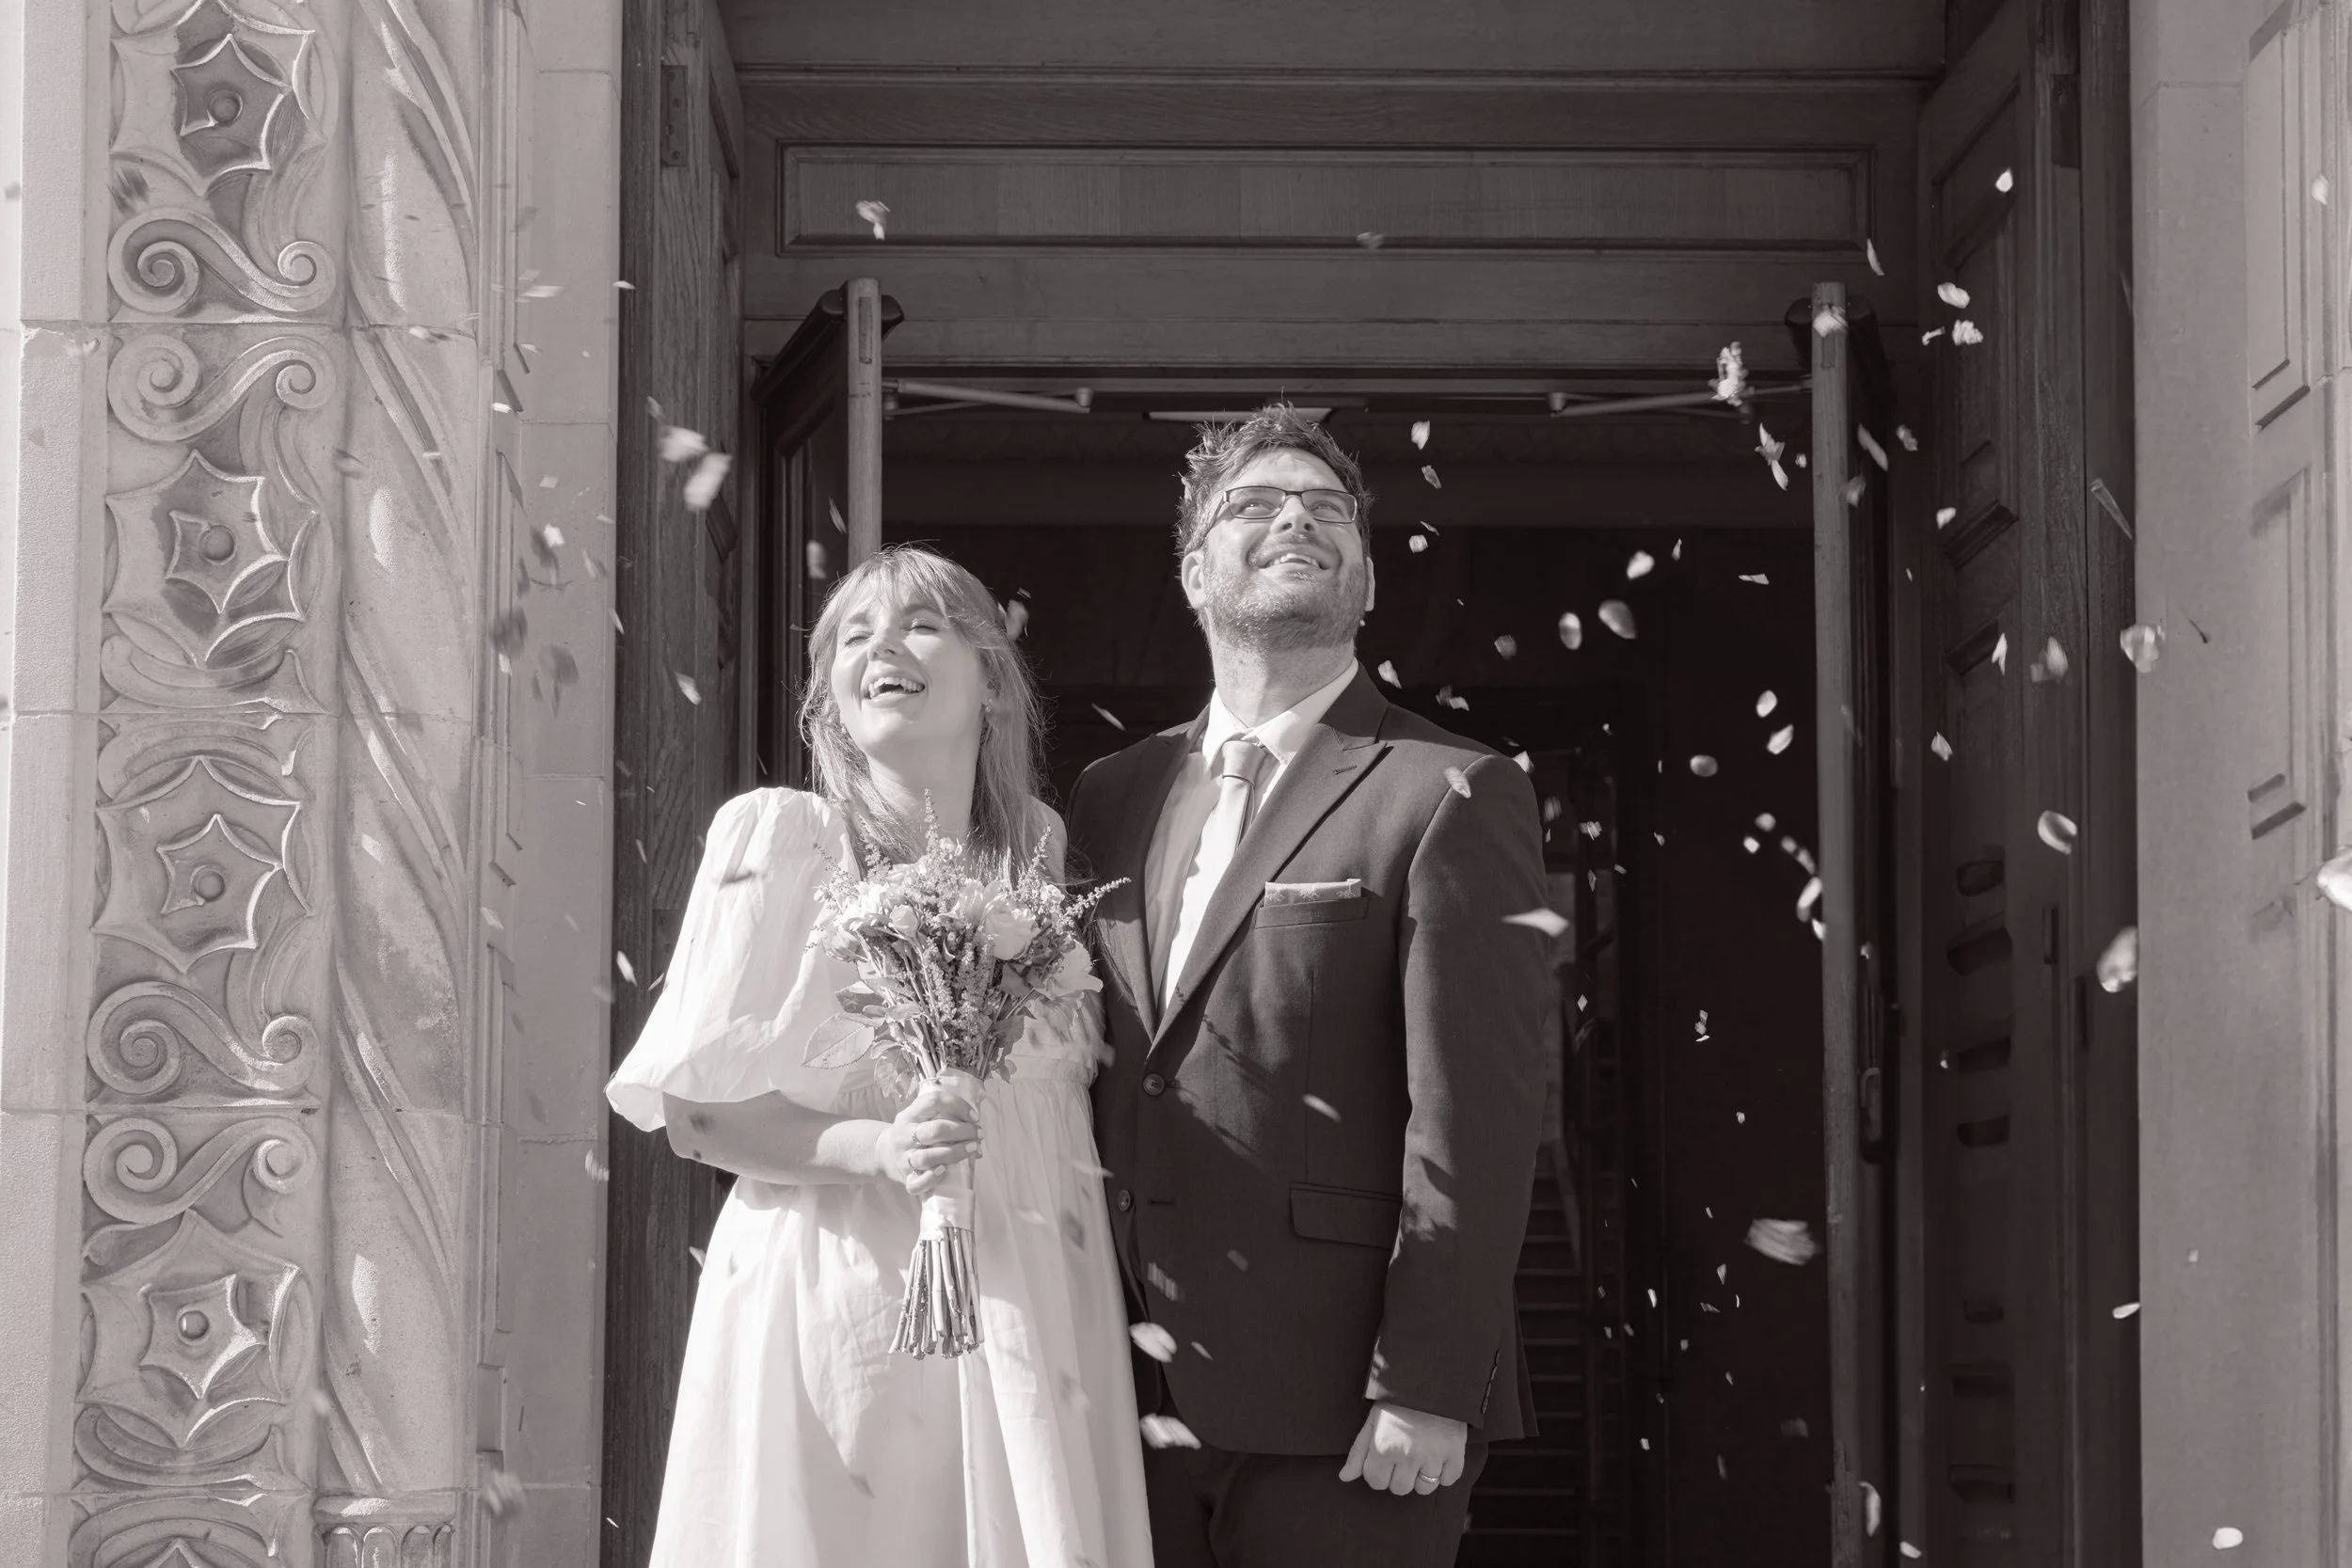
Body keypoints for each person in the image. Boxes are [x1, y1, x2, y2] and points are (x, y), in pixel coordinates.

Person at [1065, 404, 1552, 1567]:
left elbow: (1476, 1119)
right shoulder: (1106, 796)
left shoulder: (1451, 789)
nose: (1298, 518)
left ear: (1367, 579)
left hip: (1347, 1408)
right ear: (1192, 572)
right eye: (1256, 503)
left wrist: (1429, 1382)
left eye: (1328, 510)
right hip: (1113, 1389)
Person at [605, 546, 1154, 1568]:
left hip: (1037, 1298)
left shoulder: (1038, 851)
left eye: (920, 624)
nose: (882, 647)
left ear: (991, 677)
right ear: (830, 702)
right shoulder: (783, 837)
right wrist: (876, 1146)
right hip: (855, 1287)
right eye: (853, 634)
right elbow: (698, 1114)